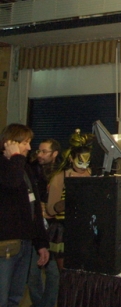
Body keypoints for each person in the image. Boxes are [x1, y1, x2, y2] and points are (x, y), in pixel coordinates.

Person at [0, 124, 50, 307]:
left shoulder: (24, 168)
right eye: (25, 143)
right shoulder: (8, 166)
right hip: (5, 244)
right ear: (10, 143)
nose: (29, 148)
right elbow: (11, 185)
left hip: (26, 242)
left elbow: (34, 208)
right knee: (2, 297)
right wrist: (14, 158)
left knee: (16, 296)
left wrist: (41, 243)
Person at [46, 145, 92, 271]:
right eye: (80, 161)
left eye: (87, 161)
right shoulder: (60, 177)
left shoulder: (93, 175)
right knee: (67, 273)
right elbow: (50, 209)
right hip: (65, 229)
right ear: (71, 159)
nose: (84, 166)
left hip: (88, 228)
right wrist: (69, 201)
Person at [28, 140, 62, 307]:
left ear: (54, 154)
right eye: (38, 151)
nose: (39, 155)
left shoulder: (62, 173)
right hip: (36, 225)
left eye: (44, 151)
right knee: (33, 273)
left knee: (53, 273)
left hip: (55, 228)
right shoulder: (31, 169)